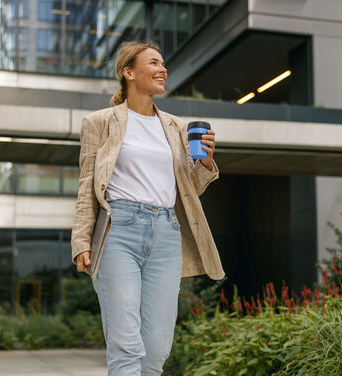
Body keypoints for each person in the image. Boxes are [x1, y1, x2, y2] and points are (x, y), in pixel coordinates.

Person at [71, 40, 225, 376]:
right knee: (126, 346)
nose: (162, 69)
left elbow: (188, 190)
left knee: (156, 350)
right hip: (118, 232)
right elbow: (87, 186)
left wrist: (206, 163)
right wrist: (81, 241)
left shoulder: (176, 128)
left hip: (166, 235)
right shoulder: (99, 122)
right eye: (153, 63)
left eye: (163, 63)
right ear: (128, 72)